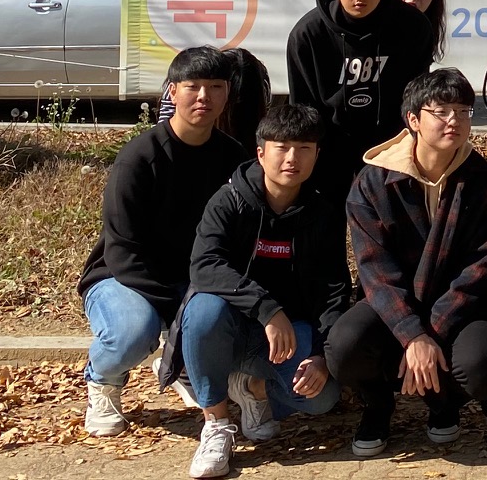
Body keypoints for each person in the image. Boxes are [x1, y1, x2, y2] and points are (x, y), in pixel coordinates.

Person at [325, 69, 487, 456]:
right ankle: (377, 406)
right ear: (413, 119)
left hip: (458, 306)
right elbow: (375, 273)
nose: (455, 120)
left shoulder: (482, 180)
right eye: (441, 111)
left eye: (463, 110)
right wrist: (412, 335)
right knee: (343, 346)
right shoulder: (372, 182)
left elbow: (478, 268)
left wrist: (427, 337)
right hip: (392, 303)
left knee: (483, 363)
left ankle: (443, 404)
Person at [174, 102, 350, 478]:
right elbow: (205, 266)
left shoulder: (323, 214)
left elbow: (334, 290)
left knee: (321, 399)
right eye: (281, 148)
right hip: (230, 326)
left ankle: (252, 388)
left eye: (304, 148)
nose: (292, 158)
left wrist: (322, 354)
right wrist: (267, 308)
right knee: (203, 310)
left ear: (317, 154)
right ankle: (216, 423)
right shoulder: (229, 201)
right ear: (260, 152)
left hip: (288, 335)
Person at [79, 45, 243, 437]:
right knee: (134, 331)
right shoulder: (139, 158)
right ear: (172, 91)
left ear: (227, 93)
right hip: (122, 278)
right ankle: (102, 380)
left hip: (196, 278)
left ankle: (184, 366)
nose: (203, 97)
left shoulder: (232, 158)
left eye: (215, 87)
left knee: (222, 319)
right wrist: (176, 310)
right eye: (192, 86)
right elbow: (122, 251)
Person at [285, 0, 433, 199]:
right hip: (329, 149)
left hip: (393, 147)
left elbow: (416, 98)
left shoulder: (413, 27)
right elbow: (304, 109)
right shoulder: (308, 35)